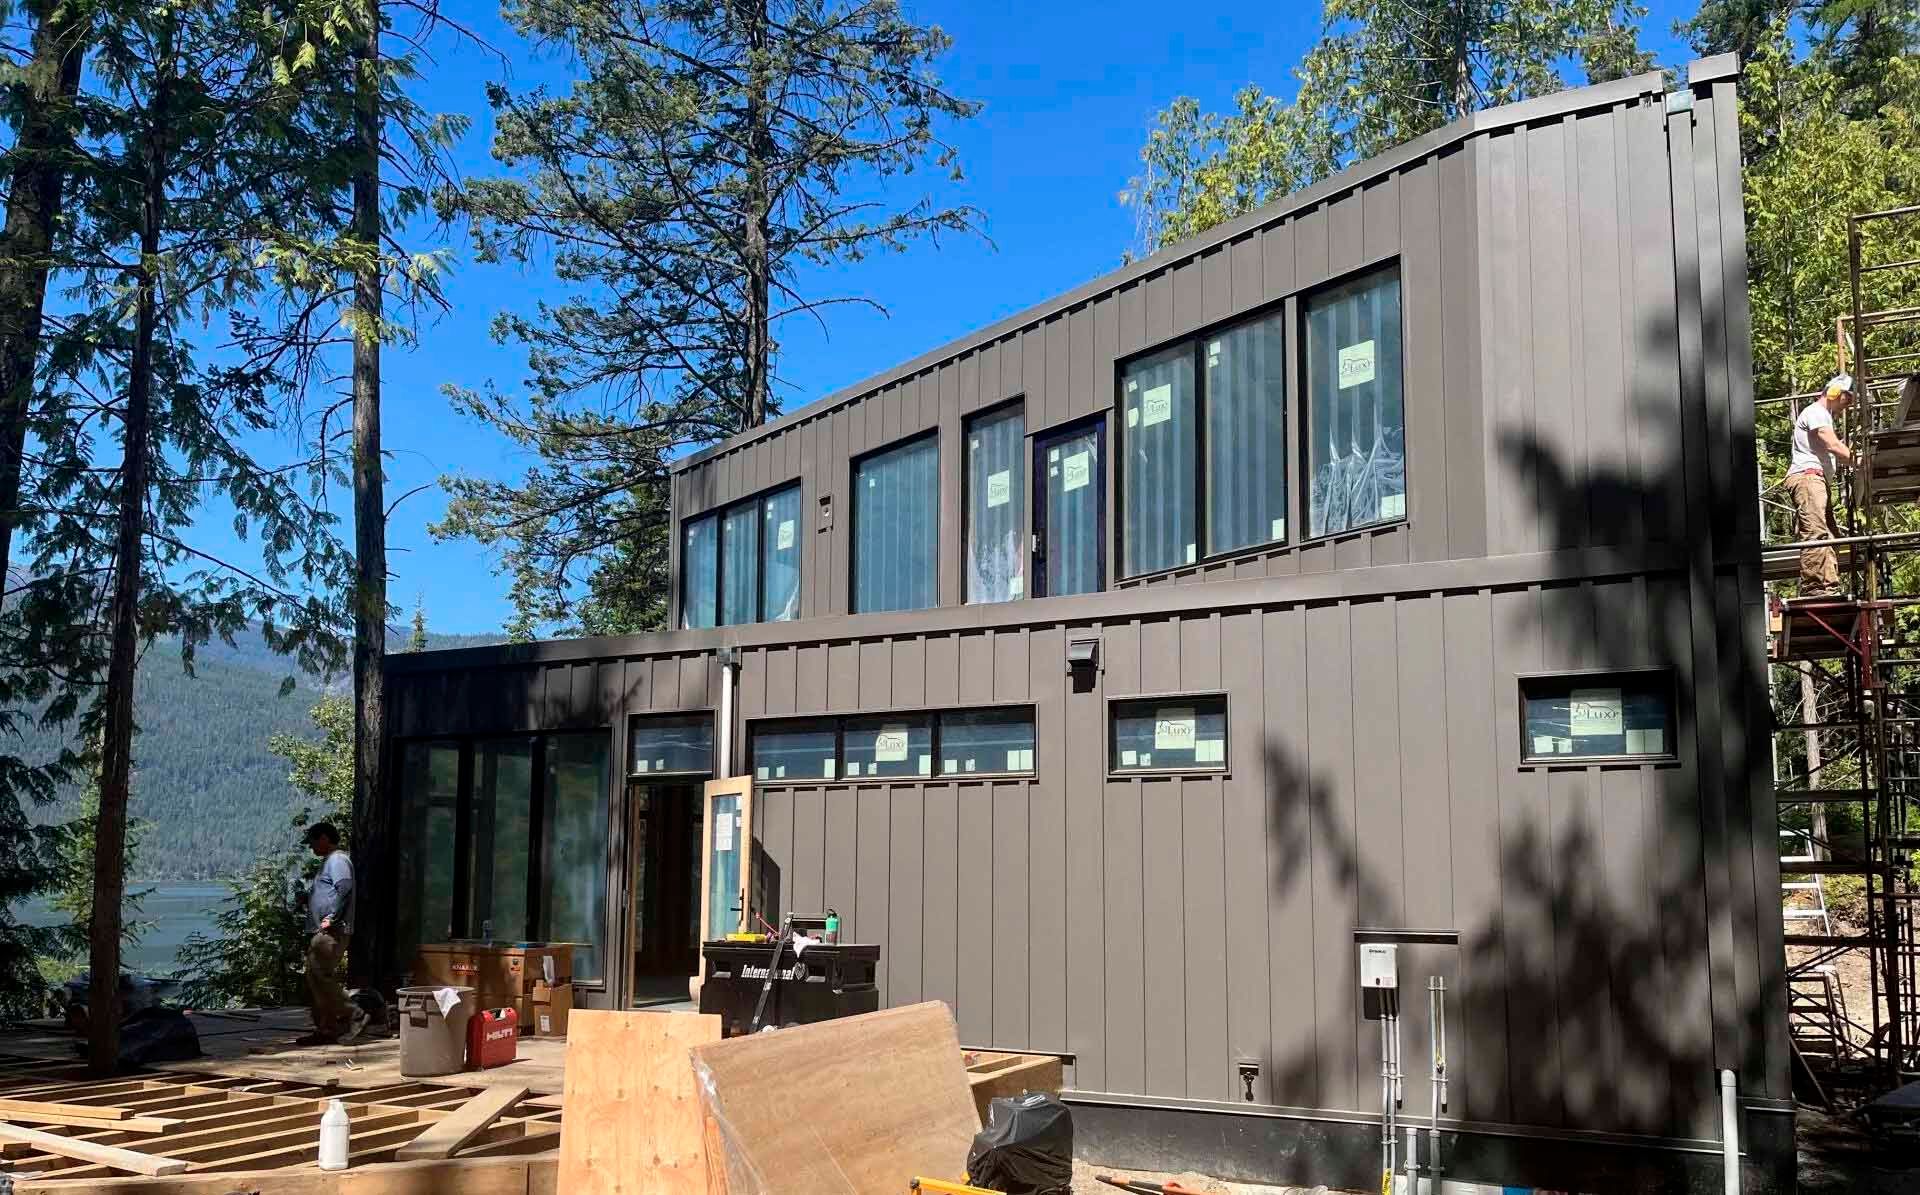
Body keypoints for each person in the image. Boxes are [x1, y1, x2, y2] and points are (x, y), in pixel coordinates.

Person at [1783, 374, 1856, 598]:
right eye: (1846, 399)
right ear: (1835, 393)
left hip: (1816, 480)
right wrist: (1858, 460)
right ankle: (1815, 587)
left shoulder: (1823, 415)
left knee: (1830, 535)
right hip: (1808, 478)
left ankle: (1828, 586)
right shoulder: (1816, 412)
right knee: (1815, 533)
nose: (1846, 405)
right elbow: (1832, 444)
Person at [299, 822, 367, 1045]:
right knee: (315, 977)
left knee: (319, 974)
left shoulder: (338, 860)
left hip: (333, 930)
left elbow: (344, 888)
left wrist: (333, 918)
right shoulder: (329, 861)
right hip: (326, 929)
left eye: (313, 842)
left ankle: (354, 1013)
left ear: (325, 838)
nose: (311, 847)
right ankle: (326, 1029)